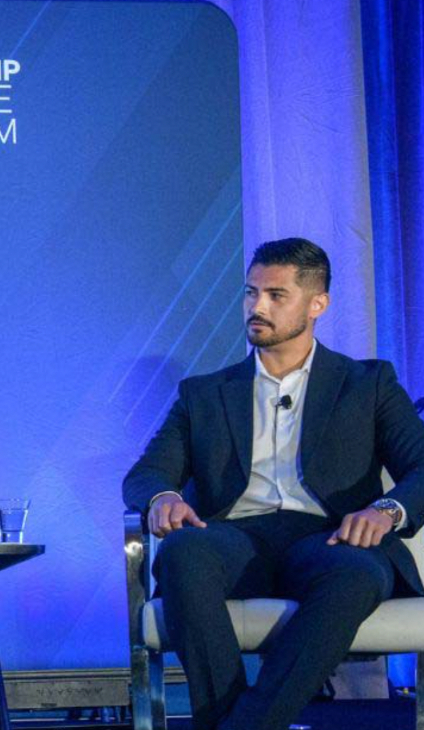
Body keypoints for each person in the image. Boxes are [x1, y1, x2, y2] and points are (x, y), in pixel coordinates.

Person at [123, 238, 424, 730]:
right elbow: (146, 474)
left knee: (358, 572)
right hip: (235, 539)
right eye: (250, 293)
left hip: (329, 536)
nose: (256, 307)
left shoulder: (366, 383)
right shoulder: (204, 394)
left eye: (276, 295)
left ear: (317, 303)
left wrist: (386, 511)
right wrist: (164, 497)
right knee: (182, 553)